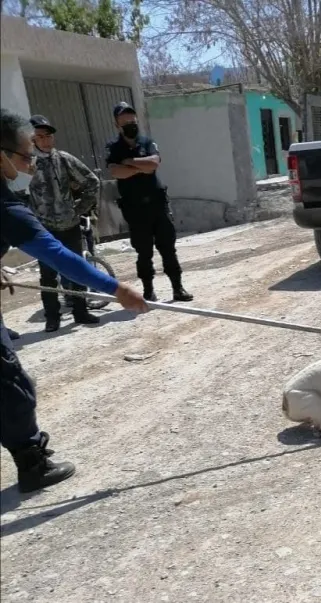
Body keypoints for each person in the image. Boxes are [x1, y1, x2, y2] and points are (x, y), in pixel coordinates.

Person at [1, 108, 148, 493]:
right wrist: (116, 289)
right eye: (23, 154)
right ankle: (32, 464)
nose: (30, 161)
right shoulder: (6, 209)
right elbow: (59, 256)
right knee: (11, 386)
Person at [106, 102, 193, 302]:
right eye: (124, 120)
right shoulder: (113, 147)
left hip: (157, 205)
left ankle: (178, 289)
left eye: (132, 119)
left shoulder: (147, 142)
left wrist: (129, 162)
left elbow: (153, 164)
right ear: (117, 124)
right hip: (135, 210)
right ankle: (148, 291)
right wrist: (140, 167)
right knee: (144, 252)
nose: (130, 123)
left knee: (168, 248)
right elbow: (115, 172)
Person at [27, 115, 101, 332]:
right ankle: (52, 317)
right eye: (40, 136)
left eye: (48, 135)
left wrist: (78, 209)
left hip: (69, 225)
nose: (45, 140)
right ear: (32, 139)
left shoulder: (64, 159)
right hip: (43, 229)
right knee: (48, 275)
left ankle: (80, 311)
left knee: (76, 268)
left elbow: (92, 182)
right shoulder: (26, 163)